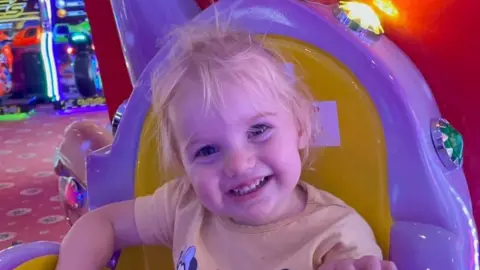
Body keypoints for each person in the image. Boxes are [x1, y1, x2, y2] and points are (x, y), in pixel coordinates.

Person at [56, 21, 397, 270]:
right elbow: (101, 223)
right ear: (183, 162)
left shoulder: (337, 237)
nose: (238, 164)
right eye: (206, 151)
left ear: (301, 128)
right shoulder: (183, 204)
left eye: (259, 130)